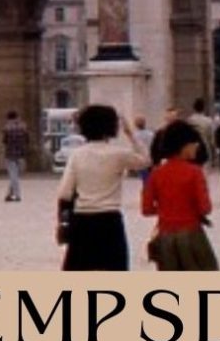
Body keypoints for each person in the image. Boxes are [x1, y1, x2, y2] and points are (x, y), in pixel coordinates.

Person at [56, 104, 150, 271]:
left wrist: (62, 221)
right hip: (109, 219)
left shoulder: (77, 155)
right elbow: (146, 160)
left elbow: (65, 192)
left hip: (82, 220)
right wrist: (130, 134)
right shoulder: (118, 154)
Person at [142, 120, 219, 271]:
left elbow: (147, 209)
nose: (197, 146)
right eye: (194, 143)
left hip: (165, 236)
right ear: (184, 146)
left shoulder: (156, 173)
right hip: (191, 234)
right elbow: (205, 208)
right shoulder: (195, 172)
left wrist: (166, 210)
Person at [1, 110, 29, 202]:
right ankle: (9, 194)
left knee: (13, 175)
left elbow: (4, 141)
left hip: (10, 153)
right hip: (21, 153)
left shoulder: (7, 128)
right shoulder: (23, 127)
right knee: (16, 174)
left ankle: (17, 195)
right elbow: (27, 139)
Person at [187, 97, 215, 167]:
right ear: (203, 108)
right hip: (205, 149)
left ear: (194, 108)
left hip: (192, 150)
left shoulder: (189, 120)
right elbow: (212, 139)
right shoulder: (208, 121)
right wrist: (214, 155)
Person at [133, 114, 155, 184]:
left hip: (141, 160)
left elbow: (135, 149)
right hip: (150, 160)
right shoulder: (151, 134)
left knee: (145, 180)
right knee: (149, 179)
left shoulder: (135, 135)